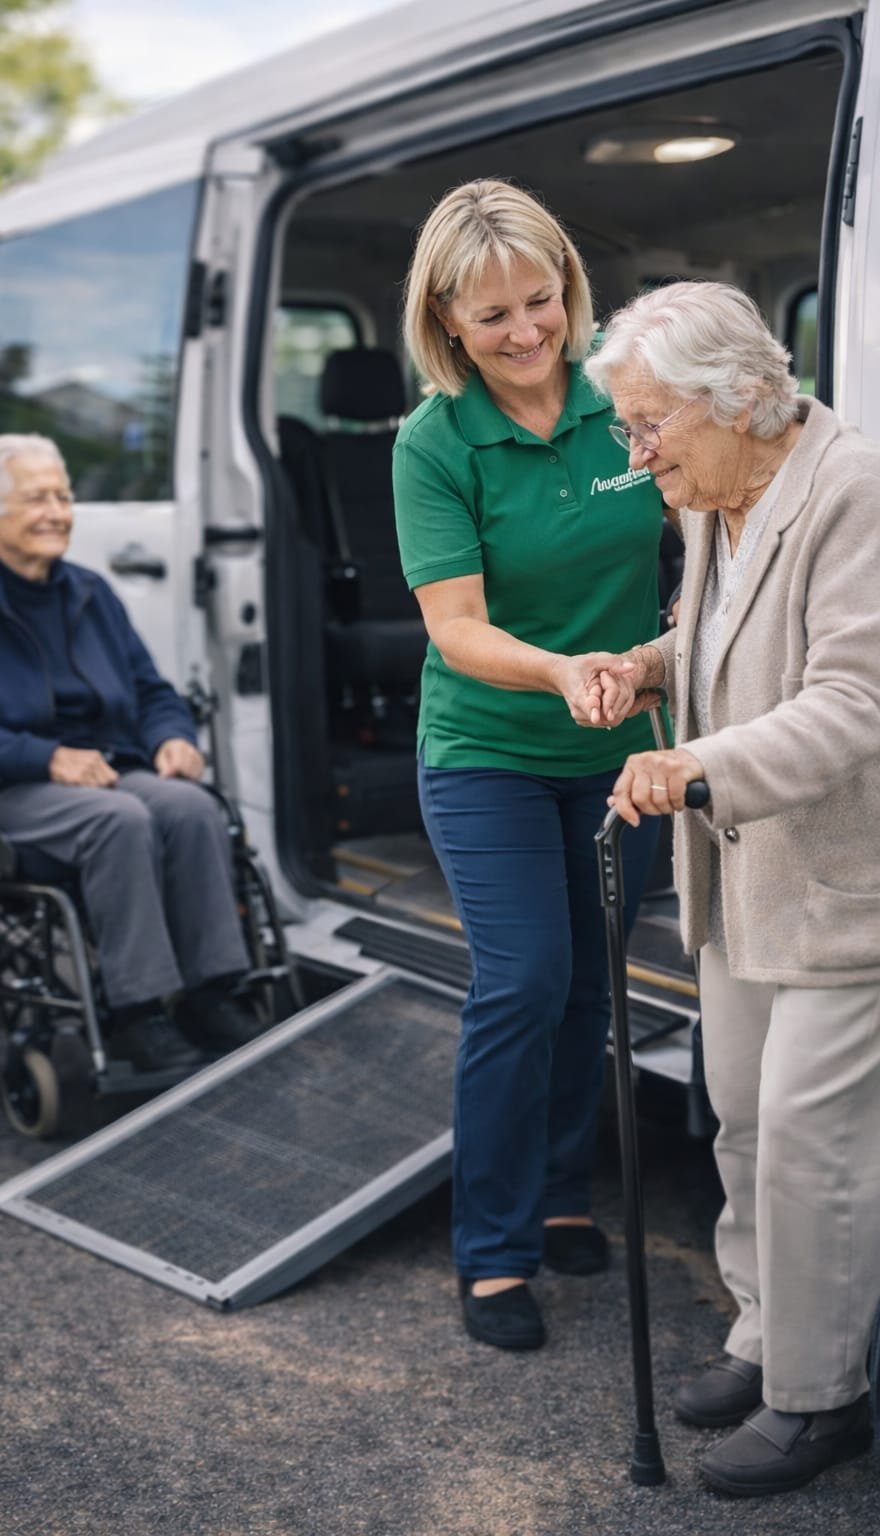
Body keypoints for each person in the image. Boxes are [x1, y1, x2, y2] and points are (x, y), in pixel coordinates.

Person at [584, 280, 880, 1495]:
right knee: (743, 1118)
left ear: (741, 397)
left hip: (841, 882)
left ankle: (821, 1397)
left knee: (810, 1140)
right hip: (740, 874)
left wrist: (695, 765)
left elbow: (853, 700)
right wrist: (645, 667)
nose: (637, 453)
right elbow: (714, 635)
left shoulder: (851, 491)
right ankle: (765, 1338)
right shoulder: (716, 493)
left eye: (649, 423)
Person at [392, 179, 664, 1350]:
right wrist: (560, 672)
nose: (523, 333)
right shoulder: (433, 442)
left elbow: (722, 505)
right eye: (491, 314)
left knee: (590, 983)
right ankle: (493, 1252)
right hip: (489, 751)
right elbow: (455, 627)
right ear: (446, 320)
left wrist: (653, 659)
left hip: (624, 746)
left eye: (540, 301)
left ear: (570, 289)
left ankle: (561, 1195)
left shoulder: (628, 395)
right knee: (523, 982)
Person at [0, 433, 255, 1072]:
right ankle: (136, 1011)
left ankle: (210, 993)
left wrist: (171, 736)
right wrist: (46, 757)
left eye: (63, 497)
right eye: (37, 499)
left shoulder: (90, 592)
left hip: (102, 770)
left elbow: (151, 690)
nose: (57, 512)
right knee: (119, 821)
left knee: (191, 807)